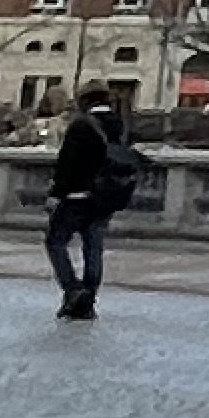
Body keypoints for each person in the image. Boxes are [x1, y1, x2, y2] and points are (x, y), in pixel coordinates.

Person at [46, 90, 140, 320]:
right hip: (106, 197)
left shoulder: (82, 125)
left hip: (77, 195)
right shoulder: (121, 125)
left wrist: (56, 193)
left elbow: (67, 162)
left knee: (55, 241)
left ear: (85, 102)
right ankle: (88, 300)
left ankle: (73, 290)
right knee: (93, 247)